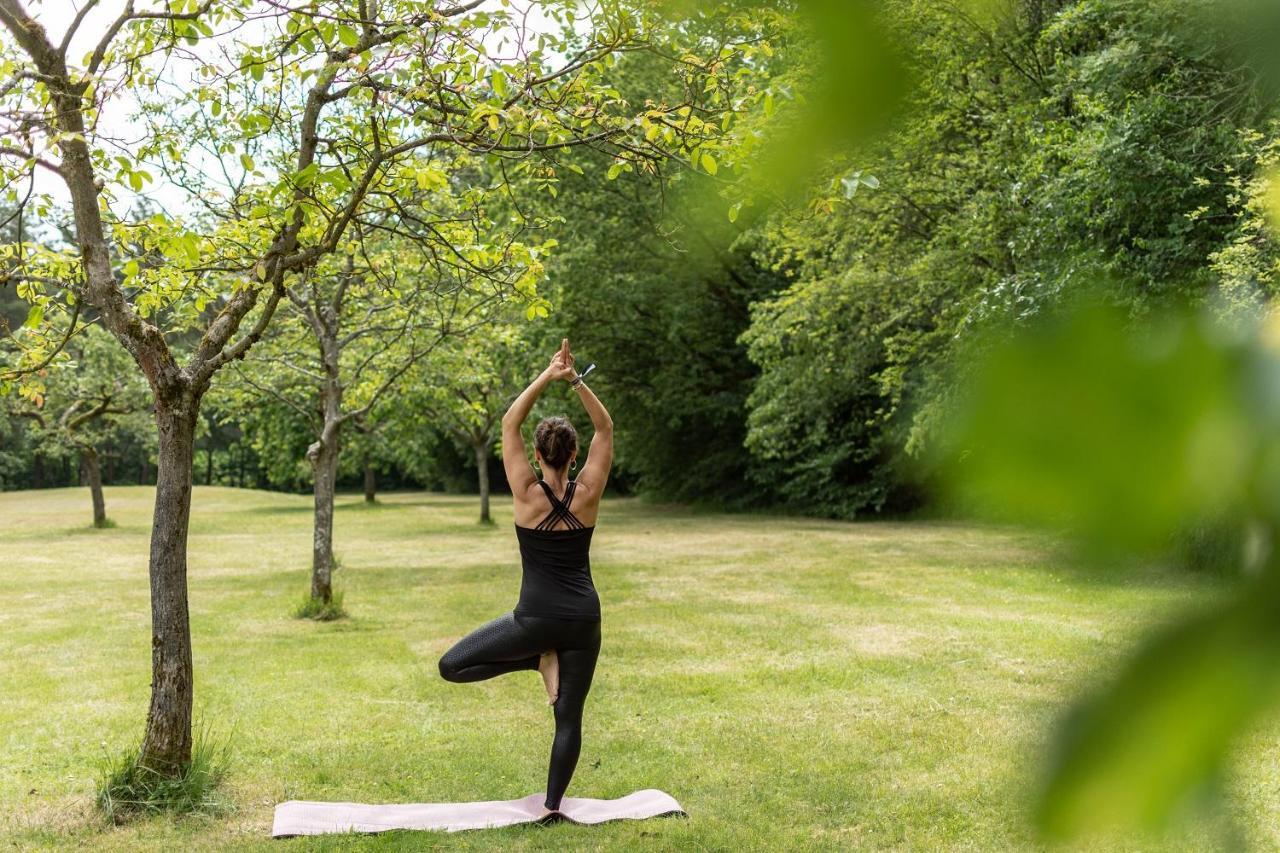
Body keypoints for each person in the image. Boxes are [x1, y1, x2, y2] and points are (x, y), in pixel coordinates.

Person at [437, 338, 614, 816]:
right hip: (582, 620)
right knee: (568, 718)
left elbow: (508, 422)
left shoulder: (525, 491)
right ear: (574, 454)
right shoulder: (590, 492)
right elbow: (605, 426)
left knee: (451, 666)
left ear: (538, 454)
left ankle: (536, 660)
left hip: (533, 620)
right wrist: (576, 379)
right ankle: (553, 806)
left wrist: (548, 374)